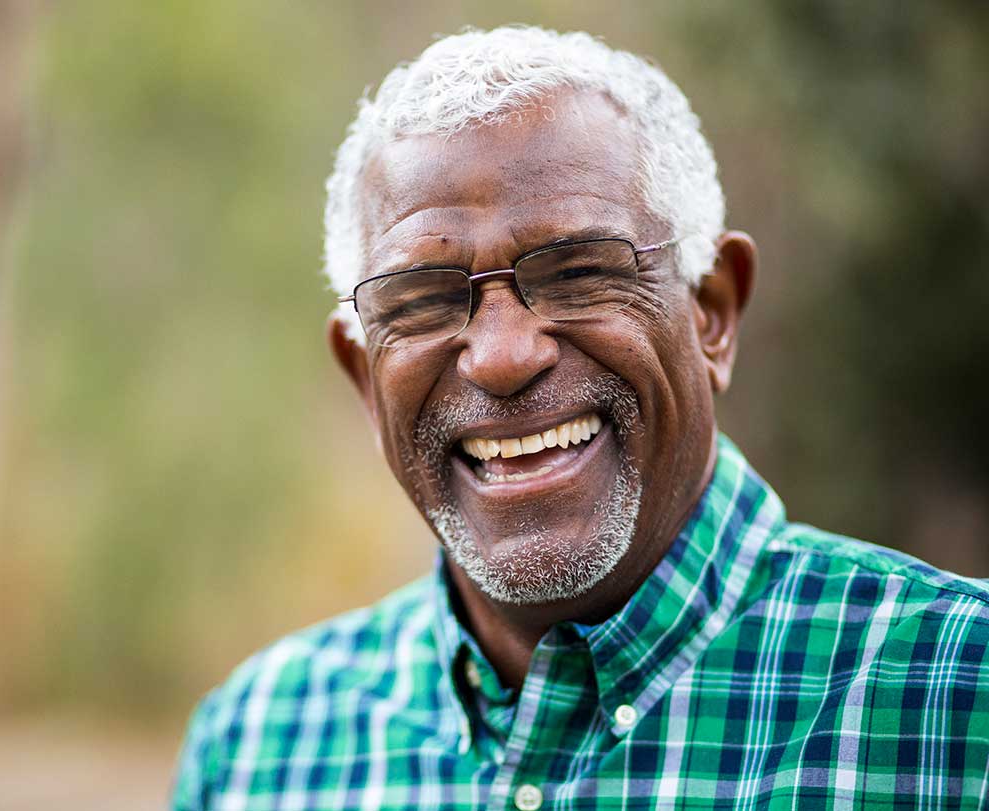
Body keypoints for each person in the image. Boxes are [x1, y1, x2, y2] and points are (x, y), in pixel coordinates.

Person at [173, 26, 989, 809]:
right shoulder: (259, 748)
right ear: (364, 375)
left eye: (577, 273)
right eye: (421, 300)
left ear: (712, 311)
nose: (502, 356)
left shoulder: (956, 692)